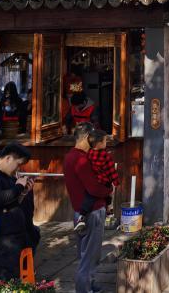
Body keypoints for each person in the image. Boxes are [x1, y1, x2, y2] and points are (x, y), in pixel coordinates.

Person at [0, 142, 40, 281]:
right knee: (7, 280)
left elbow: (12, 203)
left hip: (16, 237)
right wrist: (18, 187)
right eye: (18, 164)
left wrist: (23, 193)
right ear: (8, 158)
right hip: (2, 241)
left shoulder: (8, 177)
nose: (18, 168)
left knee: (16, 279)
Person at [65, 123, 112, 293]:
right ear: (86, 137)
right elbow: (94, 188)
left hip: (81, 212)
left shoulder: (70, 156)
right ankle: (85, 289)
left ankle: (89, 284)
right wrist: (109, 190)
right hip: (91, 211)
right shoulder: (81, 159)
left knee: (86, 254)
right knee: (89, 256)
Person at [75, 129, 119, 235]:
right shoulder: (106, 156)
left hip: (92, 182)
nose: (106, 143)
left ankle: (82, 217)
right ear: (99, 143)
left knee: (89, 198)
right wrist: (116, 182)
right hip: (104, 182)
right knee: (108, 195)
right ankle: (108, 211)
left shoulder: (88, 153)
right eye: (105, 141)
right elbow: (111, 171)